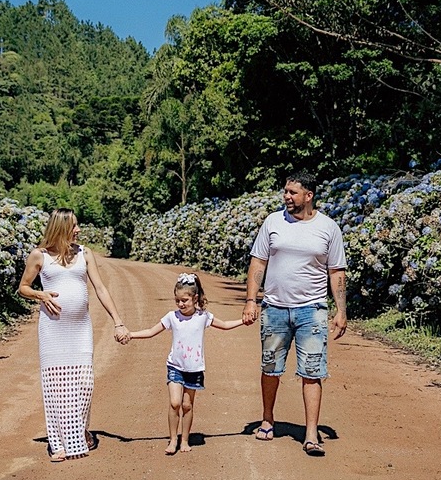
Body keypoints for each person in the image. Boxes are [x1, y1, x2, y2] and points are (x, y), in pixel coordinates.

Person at [241, 172, 347, 456]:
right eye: (285, 192)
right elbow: (258, 262)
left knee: (313, 372)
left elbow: (336, 271)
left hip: (312, 311)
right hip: (274, 307)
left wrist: (341, 310)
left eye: (292, 192)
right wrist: (251, 300)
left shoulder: (328, 228)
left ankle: (311, 434)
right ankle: (267, 419)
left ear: (308, 195)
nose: (286, 197)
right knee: (270, 368)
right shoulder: (273, 222)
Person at [18, 208, 129, 462]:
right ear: (60, 228)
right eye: (74, 226)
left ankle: (79, 431)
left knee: (84, 383)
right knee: (55, 386)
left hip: (80, 329)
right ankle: (57, 444)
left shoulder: (85, 254)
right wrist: (41, 294)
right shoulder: (40, 256)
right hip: (52, 329)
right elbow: (23, 287)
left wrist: (118, 321)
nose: (78, 230)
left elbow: (100, 288)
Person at [127, 272, 243, 455]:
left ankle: (185, 439)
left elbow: (226, 324)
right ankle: (173, 439)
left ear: (194, 298)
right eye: (178, 300)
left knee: (187, 406)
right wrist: (130, 334)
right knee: (175, 403)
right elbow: (151, 331)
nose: (181, 304)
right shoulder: (172, 317)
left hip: (194, 369)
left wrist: (243, 321)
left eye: (185, 300)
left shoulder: (203, 317)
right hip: (175, 366)